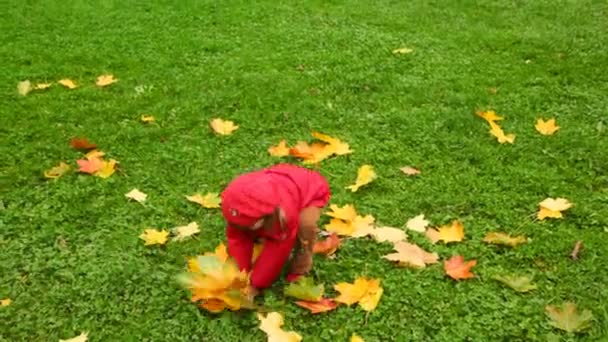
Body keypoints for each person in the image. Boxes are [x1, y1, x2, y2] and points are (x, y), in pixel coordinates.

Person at [220, 163, 331, 294]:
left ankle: (301, 267)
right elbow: (237, 238)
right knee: (246, 231)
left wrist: (256, 283)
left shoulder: (284, 216)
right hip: (281, 180)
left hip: (310, 190)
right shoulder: (236, 207)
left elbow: (277, 251)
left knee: (305, 227)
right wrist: (240, 273)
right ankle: (257, 232)